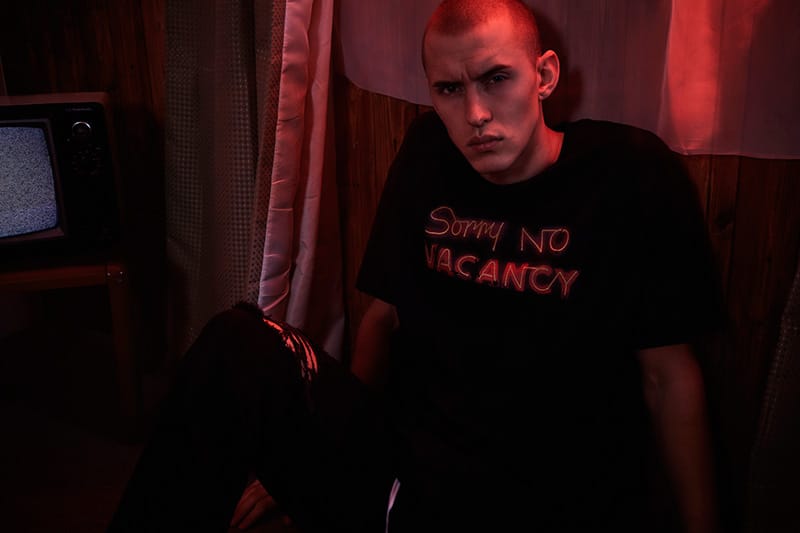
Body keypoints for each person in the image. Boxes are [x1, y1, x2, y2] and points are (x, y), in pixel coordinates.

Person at [107, 0, 723, 531]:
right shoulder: (430, 151)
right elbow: (382, 317)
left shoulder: (627, 173)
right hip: (405, 471)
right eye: (450, 89)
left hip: (543, 497)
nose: (475, 113)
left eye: (496, 79)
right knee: (235, 341)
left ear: (544, 75)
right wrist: (319, 445)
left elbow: (670, 378)